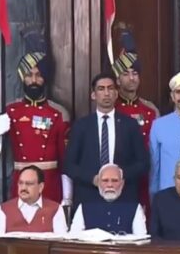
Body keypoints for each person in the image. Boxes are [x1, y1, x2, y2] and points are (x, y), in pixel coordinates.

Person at [0, 28, 71, 204]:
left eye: (38, 75)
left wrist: (67, 196)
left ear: (45, 78)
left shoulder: (59, 113)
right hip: (20, 183)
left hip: (50, 184)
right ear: (23, 77)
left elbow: (65, 161)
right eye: (29, 75)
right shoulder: (11, 111)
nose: (33, 80)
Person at [64, 73, 149, 207]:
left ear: (116, 93)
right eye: (101, 89)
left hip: (124, 197)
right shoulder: (81, 126)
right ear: (93, 95)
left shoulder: (130, 125)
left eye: (110, 88)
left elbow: (143, 163)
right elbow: (69, 165)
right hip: (89, 197)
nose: (106, 93)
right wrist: (94, 179)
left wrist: (119, 175)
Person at [112, 26, 160, 210]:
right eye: (126, 74)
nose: (131, 78)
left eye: (135, 73)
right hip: (116, 175)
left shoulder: (150, 110)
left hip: (144, 176)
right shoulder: (113, 109)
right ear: (117, 79)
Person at [0, 165, 68, 246]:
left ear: (41, 187)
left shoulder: (55, 209)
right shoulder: (4, 209)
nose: (23, 187)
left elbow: (62, 244)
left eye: (29, 184)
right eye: (21, 183)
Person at [69, 164, 147, 235]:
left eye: (115, 180)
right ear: (98, 182)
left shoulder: (134, 208)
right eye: (105, 180)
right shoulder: (84, 207)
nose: (110, 185)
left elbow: (141, 240)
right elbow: (74, 238)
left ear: (122, 183)